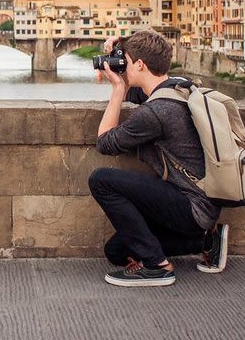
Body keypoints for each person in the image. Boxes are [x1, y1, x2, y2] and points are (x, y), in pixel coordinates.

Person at [88, 30, 228, 287]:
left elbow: (105, 142)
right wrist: (122, 52)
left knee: (101, 180)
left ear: (139, 64)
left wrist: (118, 87)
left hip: (190, 206)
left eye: (126, 61)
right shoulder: (180, 87)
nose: (124, 65)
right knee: (116, 252)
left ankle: (158, 267)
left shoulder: (156, 112)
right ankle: (207, 241)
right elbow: (139, 94)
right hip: (202, 204)